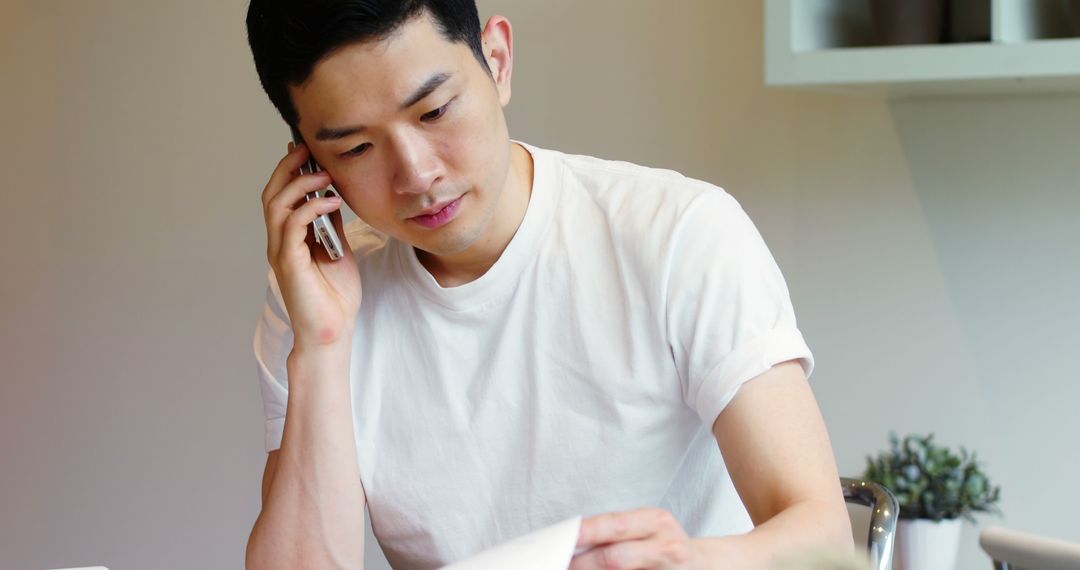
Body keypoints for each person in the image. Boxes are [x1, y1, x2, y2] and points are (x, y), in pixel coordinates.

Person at [244, 1, 852, 569]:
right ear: (309, 166)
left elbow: (824, 540)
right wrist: (323, 345)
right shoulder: (320, 298)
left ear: (498, 62)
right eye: (355, 148)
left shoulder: (678, 235)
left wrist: (690, 563)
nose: (416, 174)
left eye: (433, 112)